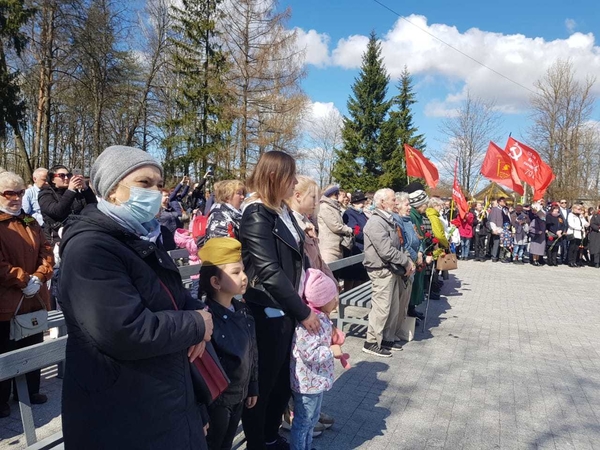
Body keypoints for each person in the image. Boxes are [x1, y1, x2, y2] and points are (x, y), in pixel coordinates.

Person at [58, 145, 213, 449]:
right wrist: (195, 324)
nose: (155, 192)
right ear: (112, 190)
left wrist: (198, 312)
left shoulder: (141, 237)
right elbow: (124, 330)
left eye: (158, 183)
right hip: (122, 411)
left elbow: (173, 295)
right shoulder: (91, 249)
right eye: (144, 183)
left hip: (165, 399)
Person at [239, 151, 319, 450]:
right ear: (274, 177)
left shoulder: (281, 211)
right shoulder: (257, 213)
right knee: (265, 383)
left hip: (287, 308)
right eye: (291, 175)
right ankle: (258, 442)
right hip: (268, 308)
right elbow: (269, 270)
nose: (295, 181)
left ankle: (271, 435)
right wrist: (303, 312)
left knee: (282, 382)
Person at [0, 171, 54, 418]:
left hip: (33, 298)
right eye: (9, 193)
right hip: (7, 300)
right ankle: (1, 399)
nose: (16, 198)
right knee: (6, 350)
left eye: (20, 192)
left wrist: (39, 277)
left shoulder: (30, 221)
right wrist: (23, 279)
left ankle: (31, 390)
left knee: (33, 344)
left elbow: (46, 252)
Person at [198, 238, 258, 450]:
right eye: (235, 272)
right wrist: (201, 411)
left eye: (243, 270)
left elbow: (252, 351)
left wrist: (252, 385)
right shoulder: (206, 321)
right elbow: (199, 371)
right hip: (217, 403)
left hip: (239, 397)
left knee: (227, 442)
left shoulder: (243, 311)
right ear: (215, 282)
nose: (244, 277)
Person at [362, 188, 414, 358]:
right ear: (382, 202)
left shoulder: (388, 220)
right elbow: (385, 250)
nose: (395, 202)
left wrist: (407, 260)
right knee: (382, 308)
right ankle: (371, 342)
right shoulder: (376, 222)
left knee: (393, 307)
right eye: (392, 200)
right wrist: (405, 261)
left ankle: (386, 338)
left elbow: (397, 245)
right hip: (381, 270)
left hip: (391, 270)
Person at [290, 269, 337, 450]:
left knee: (312, 418)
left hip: (316, 381)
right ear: (322, 299)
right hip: (306, 383)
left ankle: (307, 446)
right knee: (303, 421)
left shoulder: (322, 317)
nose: (336, 301)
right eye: (333, 297)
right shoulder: (309, 323)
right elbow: (309, 353)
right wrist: (331, 350)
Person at [38, 165, 97, 245]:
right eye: (61, 176)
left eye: (68, 175)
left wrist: (85, 189)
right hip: (56, 237)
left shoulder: (75, 192)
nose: (66, 178)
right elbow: (57, 211)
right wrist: (70, 190)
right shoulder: (45, 194)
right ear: (52, 179)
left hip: (77, 233)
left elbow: (93, 207)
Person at [317, 185, 354, 264]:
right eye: (335, 194)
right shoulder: (325, 207)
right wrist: (350, 230)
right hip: (328, 248)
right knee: (330, 272)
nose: (338, 196)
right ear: (329, 194)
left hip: (338, 246)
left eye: (338, 193)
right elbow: (335, 226)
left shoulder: (334, 207)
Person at [341, 191, 369, 290]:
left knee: (361, 277)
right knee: (352, 276)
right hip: (355, 248)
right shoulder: (349, 213)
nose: (363, 204)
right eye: (361, 201)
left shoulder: (362, 214)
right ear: (355, 203)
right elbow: (355, 230)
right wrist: (367, 237)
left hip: (363, 248)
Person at [487, 197, 510, 262]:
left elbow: (508, 218)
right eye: (503, 201)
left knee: (503, 243)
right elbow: (492, 220)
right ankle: (494, 256)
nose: (504, 202)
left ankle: (501, 256)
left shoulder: (505, 210)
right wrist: (494, 229)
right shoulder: (495, 209)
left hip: (504, 228)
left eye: (505, 201)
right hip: (497, 228)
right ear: (499, 202)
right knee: (496, 243)